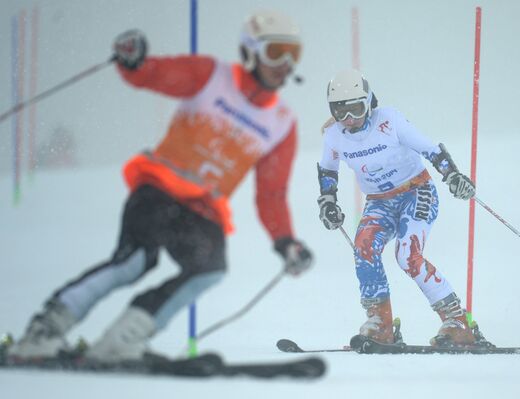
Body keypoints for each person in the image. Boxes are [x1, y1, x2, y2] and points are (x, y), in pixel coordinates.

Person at [10, 10, 312, 363]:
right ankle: (44, 331)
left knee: (209, 269)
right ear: (249, 51)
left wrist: (285, 241)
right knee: (134, 262)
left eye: (294, 54)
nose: (285, 64)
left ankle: (122, 340)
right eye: (275, 52)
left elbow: (271, 194)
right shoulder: (211, 76)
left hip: (203, 211)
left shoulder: (281, 123)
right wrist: (135, 62)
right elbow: (155, 75)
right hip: (158, 191)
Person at [317, 69, 486, 347]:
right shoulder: (334, 136)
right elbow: (328, 171)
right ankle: (380, 322)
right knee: (364, 246)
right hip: (379, 201)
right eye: (341, 112)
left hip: (416, 191)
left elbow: (430, 149)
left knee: (407, 254)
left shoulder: (389, 121)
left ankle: (457, 321)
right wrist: (328, 201)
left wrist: (452, 175)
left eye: (357, 109)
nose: (350, 120)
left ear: (369, 101)